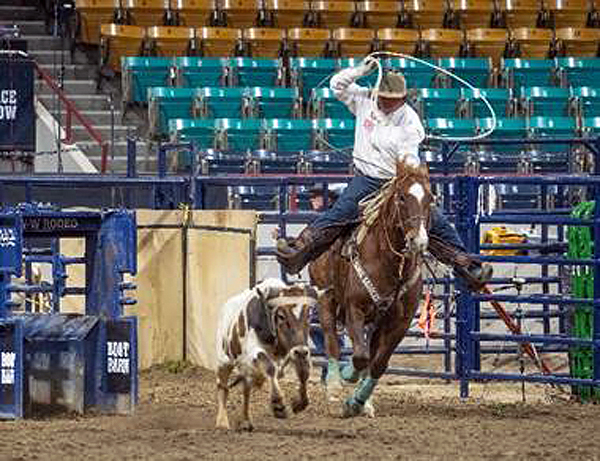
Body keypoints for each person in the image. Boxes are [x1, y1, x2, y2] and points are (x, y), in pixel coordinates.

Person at [276, 58, 492, 290]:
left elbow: (408, 159)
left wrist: (407, 182)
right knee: (340, 213)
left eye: (392, 100)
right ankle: (299, 251)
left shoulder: (410, 123)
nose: (386, 103)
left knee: (431, 220)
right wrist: (359, 70)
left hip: (395, 181)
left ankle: (467, 266)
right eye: (384, 98)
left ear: (402, 99)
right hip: (367, 178)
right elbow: (337, 85)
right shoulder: (364, 101)